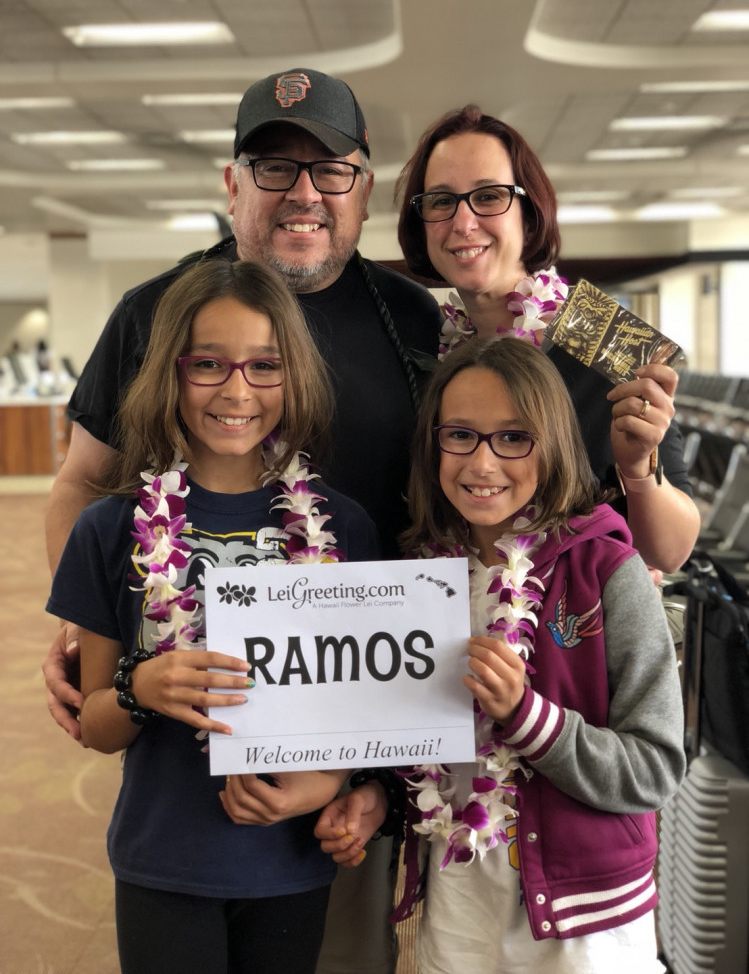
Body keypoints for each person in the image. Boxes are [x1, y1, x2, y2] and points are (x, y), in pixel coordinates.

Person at [43, 68, 441, 974]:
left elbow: (473, 463)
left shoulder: (415, 318)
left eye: (330, 169)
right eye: (272, 167)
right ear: (232, 185)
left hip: (341, 749)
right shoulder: (154, 312)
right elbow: (80, 485)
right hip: (182, 750)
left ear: (364, 189)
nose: (303, 193)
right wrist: (96, 623)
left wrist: (366, 780)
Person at [46, 257, 383, 974]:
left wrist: (330, 787)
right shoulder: (109, 529)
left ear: (293, 378)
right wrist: (145, 689)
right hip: (165, 857)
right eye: (208, 364)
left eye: (265, 366)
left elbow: (361, 717)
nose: (237, 390)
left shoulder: (342, 527)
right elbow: (97, 726)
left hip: (290, 858)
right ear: (170, 372)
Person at [317, 335, 686, 973]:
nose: (482, 464)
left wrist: (526, 715)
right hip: (459, 905)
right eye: (459, 435)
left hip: (582, 924)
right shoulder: (415, 580)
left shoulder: (605, 571)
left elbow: (654, 768)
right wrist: (376, 794)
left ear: (554, 444)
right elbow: (405, 737)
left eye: (514, 438)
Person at [394, 104, 700, 575]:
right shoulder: (426, 342)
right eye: (440, 200)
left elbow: (671, 554)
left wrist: (638, 472)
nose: (463, 222)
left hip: (581, 628)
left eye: (489, 196)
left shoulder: (603, 330)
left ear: (529, 214)